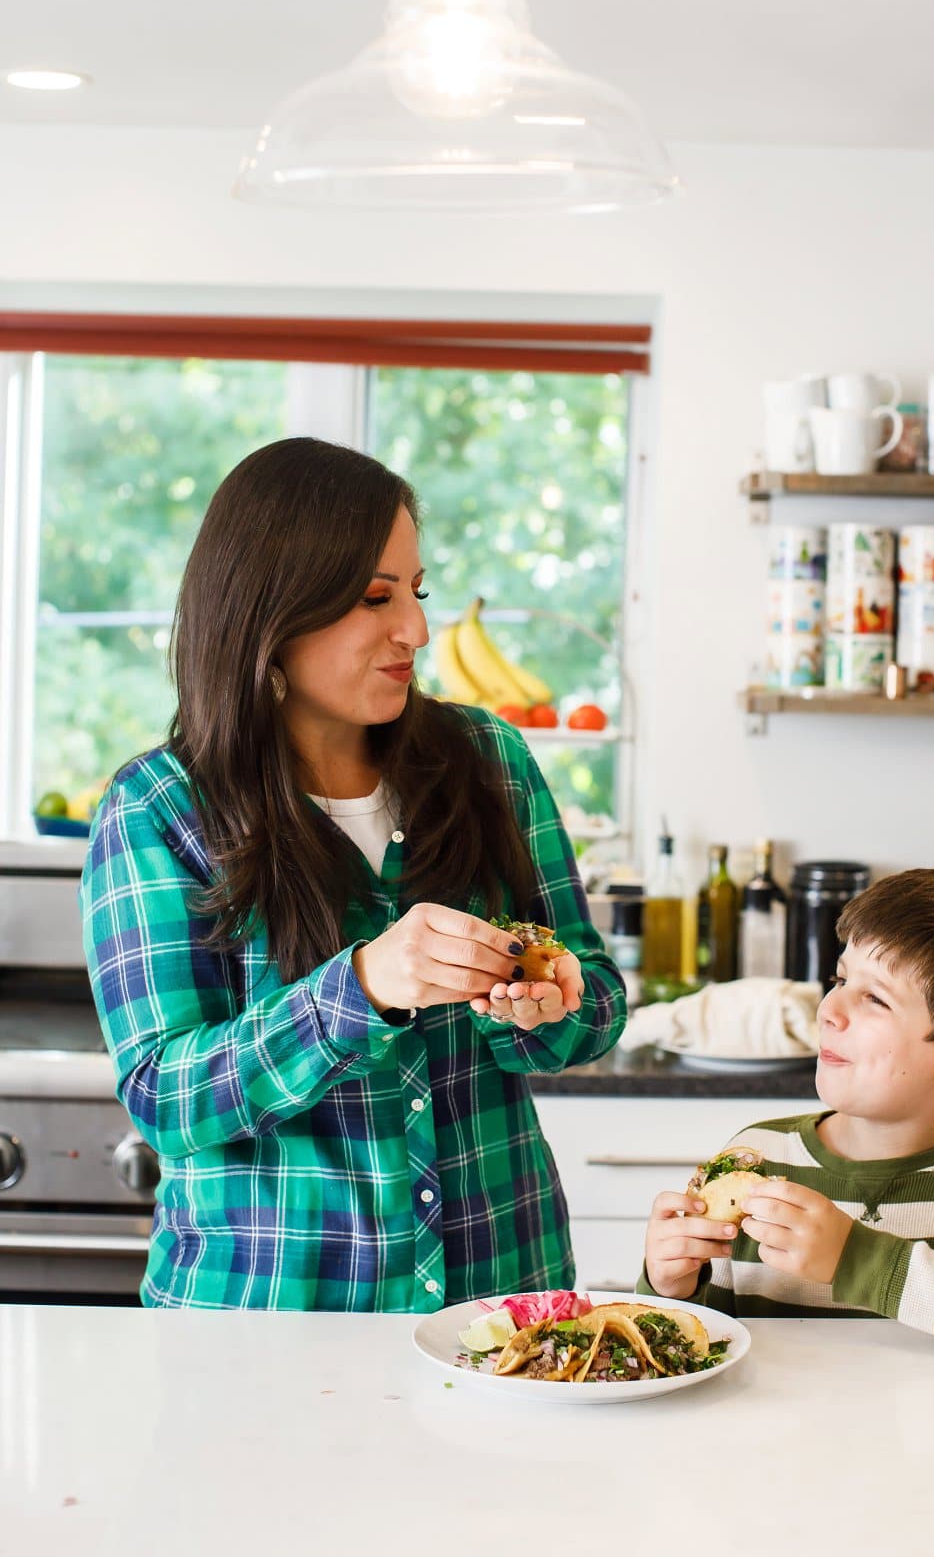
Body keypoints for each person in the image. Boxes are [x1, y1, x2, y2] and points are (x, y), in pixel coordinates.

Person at [80, 436, 626, 1311]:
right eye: (374, 598)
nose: (413, 629)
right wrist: (361, 987)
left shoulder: (490, 762)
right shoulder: (158, 809)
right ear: (272, 613)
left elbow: (596, 1003)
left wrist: (550, 1003)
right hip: (262, 1328)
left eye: (416, 593)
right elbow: (167, 1100)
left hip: (498, 1315)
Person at [641, 868, 934, 1368]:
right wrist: (670, 1285)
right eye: (840, 979)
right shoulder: (759, 1158)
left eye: (875, 999)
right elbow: (696, 1348)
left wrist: (855, 1258)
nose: (828, 1010)